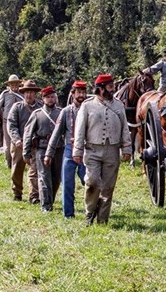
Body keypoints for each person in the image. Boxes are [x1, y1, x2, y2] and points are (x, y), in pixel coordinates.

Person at [73, 74, 131, 226]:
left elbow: (125, 127)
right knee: (92, 182)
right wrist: (77, 151)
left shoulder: (118, 105)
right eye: (110, 87)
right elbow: (79, 130)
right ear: (101, 88)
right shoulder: (87, 106)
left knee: (108, 186)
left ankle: (103, 219)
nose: (113, 90)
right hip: (92, 150)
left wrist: (127, 148)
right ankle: (89, 212)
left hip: (112, 150)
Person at [45, 80, 88, 219]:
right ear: (73, 93)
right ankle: (68, 214)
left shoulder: (90, 109)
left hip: (86, 150)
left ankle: (92, 211)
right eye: (78, 92)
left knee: (89, 181)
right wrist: (49, 154)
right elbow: (56, 134)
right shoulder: (65, 112)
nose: (81, 95)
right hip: (69, 150)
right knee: (67, 183)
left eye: (83, 92)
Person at [23, 86, 63, 213]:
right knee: (44, 177)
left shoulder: (61, 113)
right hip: (42, 148)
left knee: (56, 177)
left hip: (58, 149)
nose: (51, 100)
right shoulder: (37, 114)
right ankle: (45, 205)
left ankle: (50, 200)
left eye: (53, 97)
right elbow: (28, 133)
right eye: (48, 97)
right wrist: (26, 152)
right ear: (43, 98)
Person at [7, 80, 43, 203]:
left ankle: (34, 195)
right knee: (17, 168)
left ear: (35, 94)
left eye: (32, 92)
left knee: (35, 170)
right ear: (24, 93)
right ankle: (17, 192)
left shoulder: (41, 107)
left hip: (34, 144)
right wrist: (17, 140)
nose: (29, 95)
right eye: (27, 92)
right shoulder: (17, 107)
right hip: (19, 143)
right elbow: (11, 125)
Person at [0, 75, 24, 167]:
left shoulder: (23, 94)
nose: (14, 86)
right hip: (7, 123)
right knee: (8, 145)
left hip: (21, 123)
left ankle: (18, 164)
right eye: (12, 84)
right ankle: (9, 164)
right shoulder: (5, 94)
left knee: (20, 144)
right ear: (9, 85)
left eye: (16, 84)